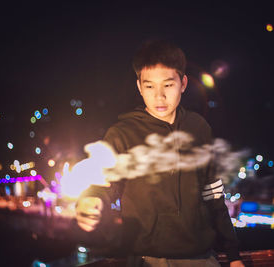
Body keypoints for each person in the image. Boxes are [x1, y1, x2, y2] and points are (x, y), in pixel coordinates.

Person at [75, 40, 245, 267]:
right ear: (139, 87)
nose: (159, 96)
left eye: (168, 85)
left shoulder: (199, 128)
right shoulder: (123, 133)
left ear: (183, 83)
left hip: (202, 257)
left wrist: (233, 256)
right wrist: (91, 198)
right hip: (149, 259)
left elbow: (213, 195)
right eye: (149, 86)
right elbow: (106, 184)